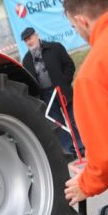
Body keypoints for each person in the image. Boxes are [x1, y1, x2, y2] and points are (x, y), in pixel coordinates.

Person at [63, 0, 108, 205]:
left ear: (82, 21)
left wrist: (85, 183)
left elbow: (107, 154)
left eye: (74, 27)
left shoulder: (93, 73)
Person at [21, 27, 84, 155]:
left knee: (73, 119)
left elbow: (69, 65)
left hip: (62, 90)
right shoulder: (26, 60)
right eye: (26, 40)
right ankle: (71, 151)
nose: (29, 41)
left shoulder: (55, 48)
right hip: (46, 96)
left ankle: (82, 147)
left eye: (30, 37)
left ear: (36, 35)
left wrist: (64, 81)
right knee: (58, 124)